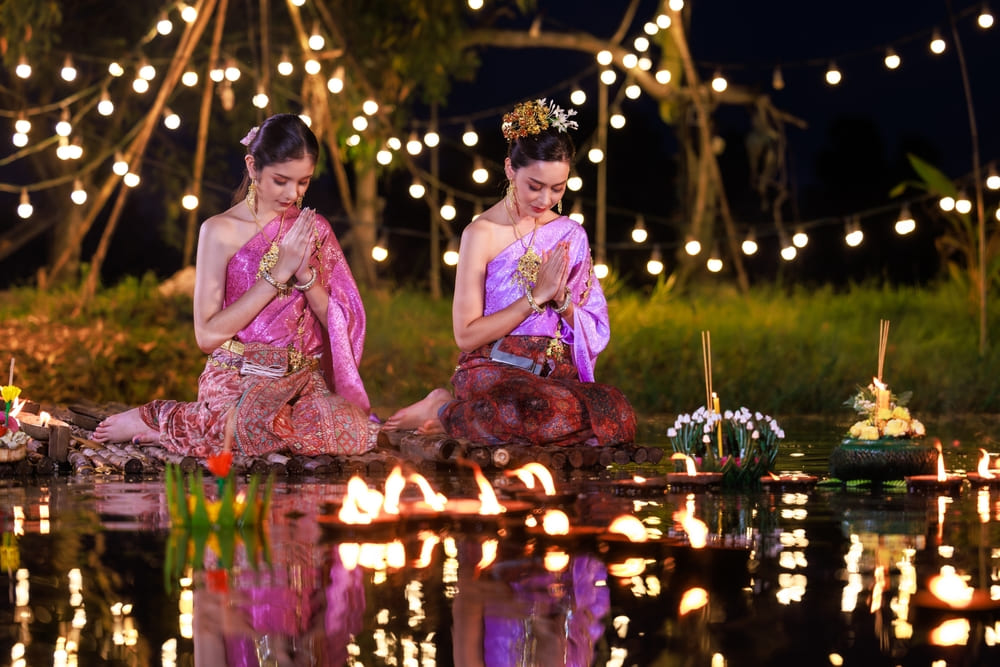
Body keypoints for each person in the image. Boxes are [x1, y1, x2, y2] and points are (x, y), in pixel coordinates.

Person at [94, 113, 379, 457]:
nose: (292, 193)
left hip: (300, 380)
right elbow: (207, 336)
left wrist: (304, 277)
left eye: (303, 182)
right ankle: (163, 419)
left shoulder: (313, 229)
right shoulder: (219, 231)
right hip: (237, 375)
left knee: (354, 432)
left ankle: (192, 430)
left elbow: (339, 319)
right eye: (280, 180)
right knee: (245, 425)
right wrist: (277, 276)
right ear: (253, 166)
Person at [385, 99, 635, 447]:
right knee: (534, 409)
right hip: (495, 369)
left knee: (616, 413)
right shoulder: (481, 233)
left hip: (553, 376)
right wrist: (536, 298)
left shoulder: (571, 235)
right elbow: (467, 337)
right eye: (535, 185)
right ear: (509, 169)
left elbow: (594, 327)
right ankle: (442, 407)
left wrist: (562, 302)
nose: (545, 198)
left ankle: (456, 416)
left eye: (557, 188)